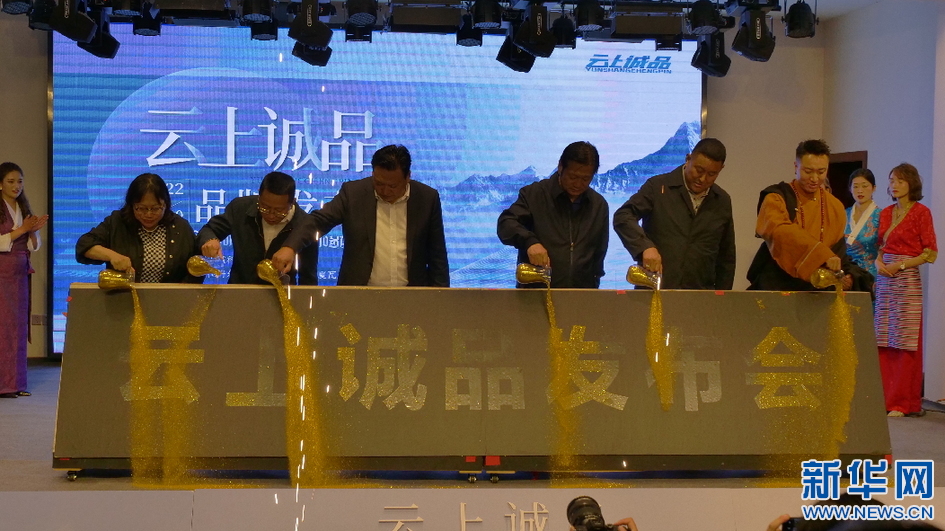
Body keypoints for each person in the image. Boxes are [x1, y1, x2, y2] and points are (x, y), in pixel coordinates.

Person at [281, 145, 448, 287]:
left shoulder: (427, 198)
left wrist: (440, 297)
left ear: (408, 177)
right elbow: (319, 220)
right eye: (379, 183)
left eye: (392, 186)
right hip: (360, 293)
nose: (384, 191)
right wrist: (290, 247)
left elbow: (437, 255)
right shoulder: (354, 193)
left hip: (412, 295)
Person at [613, 138, 735, 289]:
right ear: (688, 159)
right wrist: (645, 247)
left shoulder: (722, 201)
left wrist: (722, 297)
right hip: (654, 291)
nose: (703, 179)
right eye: (699, 170)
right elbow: (623, 216)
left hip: (700, 294)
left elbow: (726, 257)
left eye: (712, 174)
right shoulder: (657, 187)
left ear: (721, 169)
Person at [747, 139, 867, 291]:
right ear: (796, 167)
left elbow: (838, 252)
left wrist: (846, 275)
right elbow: (779, 231)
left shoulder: (835, 206)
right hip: (778, 284)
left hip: (818, 291)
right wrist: (821, 254)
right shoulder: (776, 198)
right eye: (808, 171)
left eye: (821, 172)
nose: (815, 179)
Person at [497, 141, 609, 288]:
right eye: (573, 177)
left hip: (582, 294)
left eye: (585, 179)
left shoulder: (598, 205)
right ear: (560, 166)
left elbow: (599, 253)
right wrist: (529, 242)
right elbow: (506, 223)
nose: (578, 184)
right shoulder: (534, 195)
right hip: (536, 293)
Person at [873, 163, 937, 417]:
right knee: (883, 338)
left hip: (906, 278)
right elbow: (880, 248)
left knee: (903, 340)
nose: (894, 185)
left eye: (900, 181)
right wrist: (878, 264)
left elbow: (929, 253)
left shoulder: (922, 212)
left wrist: (899, 265)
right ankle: (884, 398)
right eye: (891, 180)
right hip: (885, 279)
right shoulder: (886, 212)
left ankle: (902, 402)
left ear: (911, 183)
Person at [76, 173, 200, 284]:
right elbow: (84, 245)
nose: (149, 214)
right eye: (141, 208)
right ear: (131, 205)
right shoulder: (117, 222)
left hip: (169, 299)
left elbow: (196, 267)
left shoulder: (180, 227)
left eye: (156, 208)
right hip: (122, 297)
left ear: (165, 205)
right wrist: (112, 256)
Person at [198, 171, 318, 285]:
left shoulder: (305, 226)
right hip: (240, 290)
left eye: (279, 211)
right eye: (265, 208)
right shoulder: (240, 209)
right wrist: (210, 239)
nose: (271, 215)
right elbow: (209, 229)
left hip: (282, 293)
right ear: (259, 197)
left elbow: (308, 276)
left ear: (292, 202)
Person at [0, 163, 48, 398]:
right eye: (11, 181)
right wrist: (22, 229)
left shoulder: (23, 207)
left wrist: (33, 230)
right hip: (2, 274)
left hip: (19, 273)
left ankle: (17, 383)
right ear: (0, 184)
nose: (16, 186)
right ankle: (3, 385)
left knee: (18, 327)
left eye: (19, 181)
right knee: (3, 327)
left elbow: (34, 246)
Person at [844, 168, 881, 279]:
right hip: (846, 274)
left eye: (865, 186)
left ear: (874, 188)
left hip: (871, 275)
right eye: (855, 186)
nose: (860, 190)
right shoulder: (844, 214)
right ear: (850, 189)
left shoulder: (881, 215)